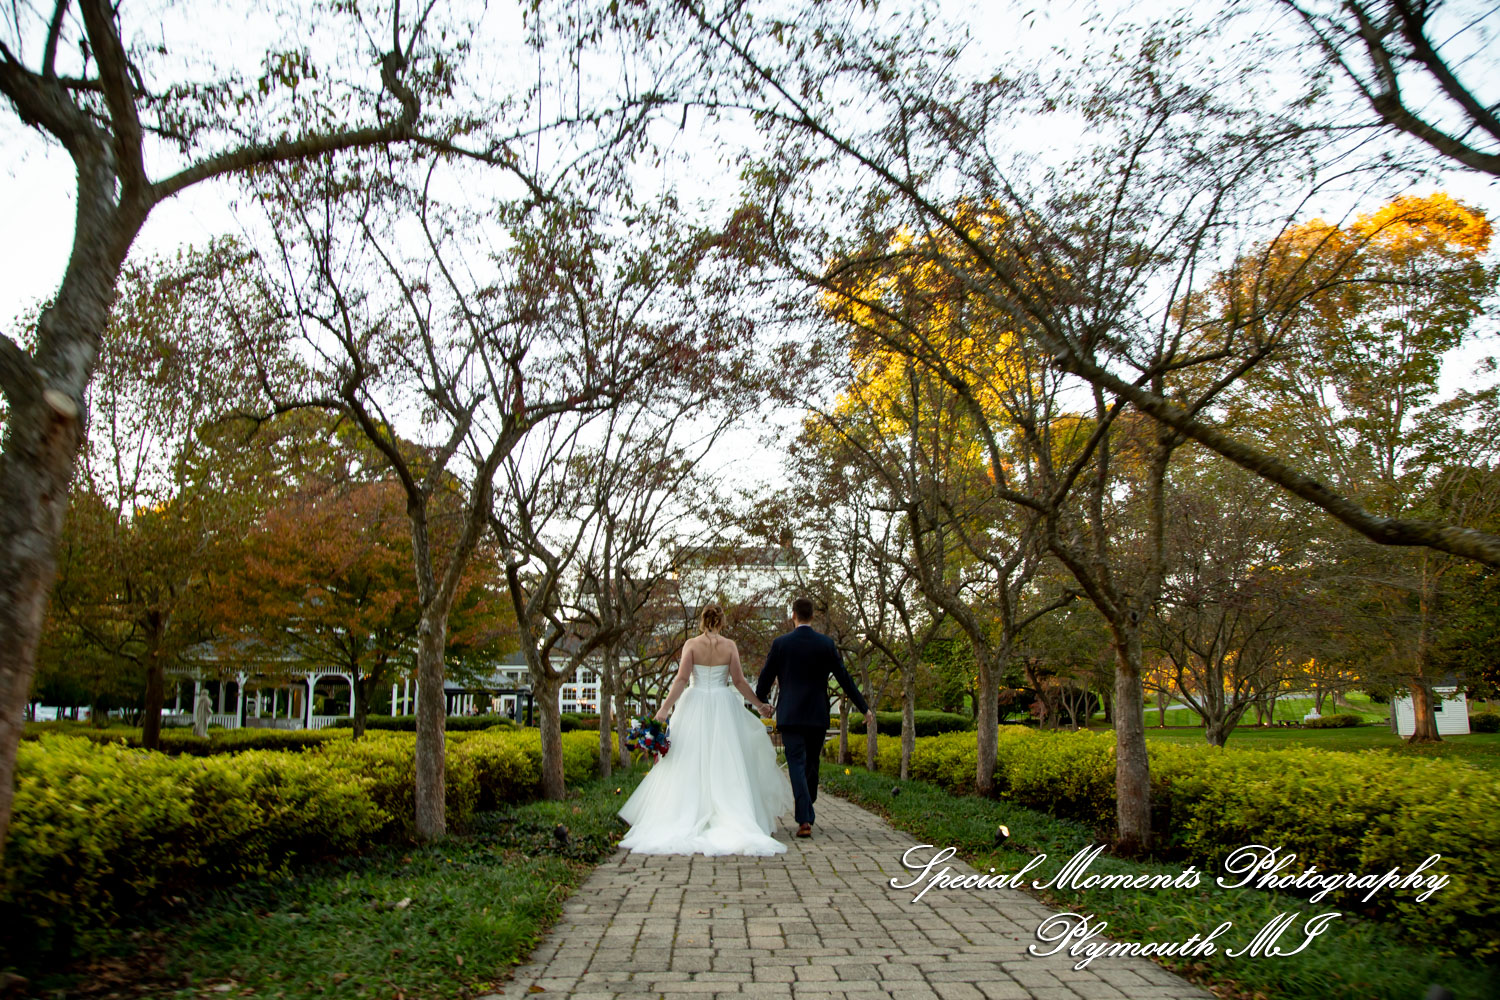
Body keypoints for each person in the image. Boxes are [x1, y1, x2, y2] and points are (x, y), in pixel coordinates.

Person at [617, 604, 794, 856]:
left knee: (688, 759)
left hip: (694, 703)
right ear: (721, 622)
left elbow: (680, 679)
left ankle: (687, 811)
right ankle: (730, 814)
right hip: (723, 704)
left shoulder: (691, 644)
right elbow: (740, 682)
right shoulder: (730, 646)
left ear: (702, 621)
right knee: (726, 760)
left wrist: (664, 709)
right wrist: (759, 705)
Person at [755, 596, 870, 839]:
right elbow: (844, 678)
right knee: (810, 764)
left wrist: (762, 701)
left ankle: (805, 813)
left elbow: (765, 677)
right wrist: (864, 707)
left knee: (797, 764)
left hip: (791, 714)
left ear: (793, 616)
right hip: (817, 714)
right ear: (812, 616)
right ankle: (805, 816)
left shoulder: (781, 644)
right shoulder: (826, 644)